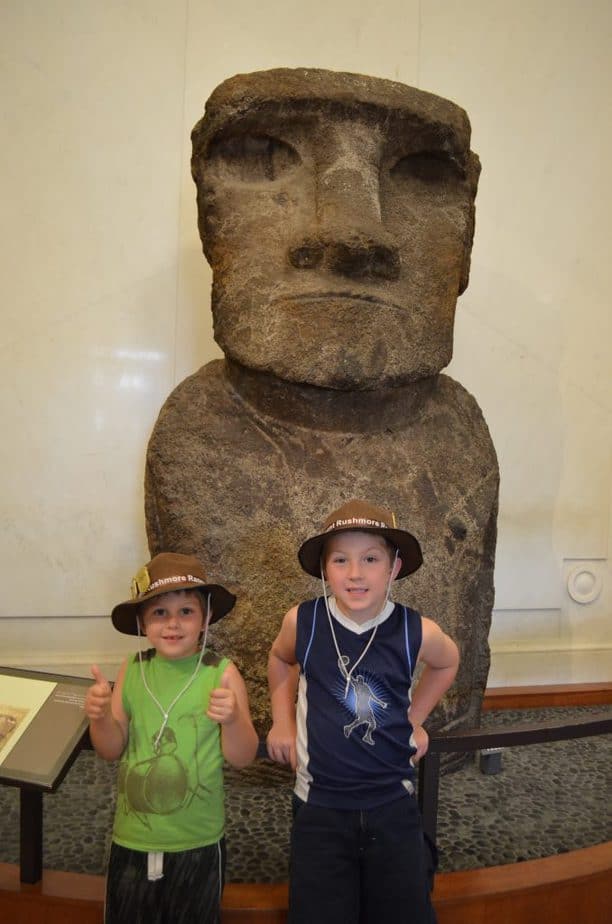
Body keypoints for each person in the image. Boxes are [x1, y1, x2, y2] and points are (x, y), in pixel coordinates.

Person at [267, 499, 460, 924]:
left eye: (370, 558)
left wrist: (415, 719)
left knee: (403, 910)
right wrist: (282, 720)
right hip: (319, 804)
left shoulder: (416, 630)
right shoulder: (304, 622)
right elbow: (280, 660)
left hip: (392, 802)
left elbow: (448, 661)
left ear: (393, 568)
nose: (355, 573)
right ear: (324, 569)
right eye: (341, 560)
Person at [85, 551, 258, 924]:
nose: (172, 624)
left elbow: (243, 756)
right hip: (132, 839)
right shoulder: (132, 670)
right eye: (159, 612)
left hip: (198, 842)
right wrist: (99, 719)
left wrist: (232, 720)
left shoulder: (222, 673)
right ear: (142, 621)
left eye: (186, 611)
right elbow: (110, 748)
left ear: (206, 617)